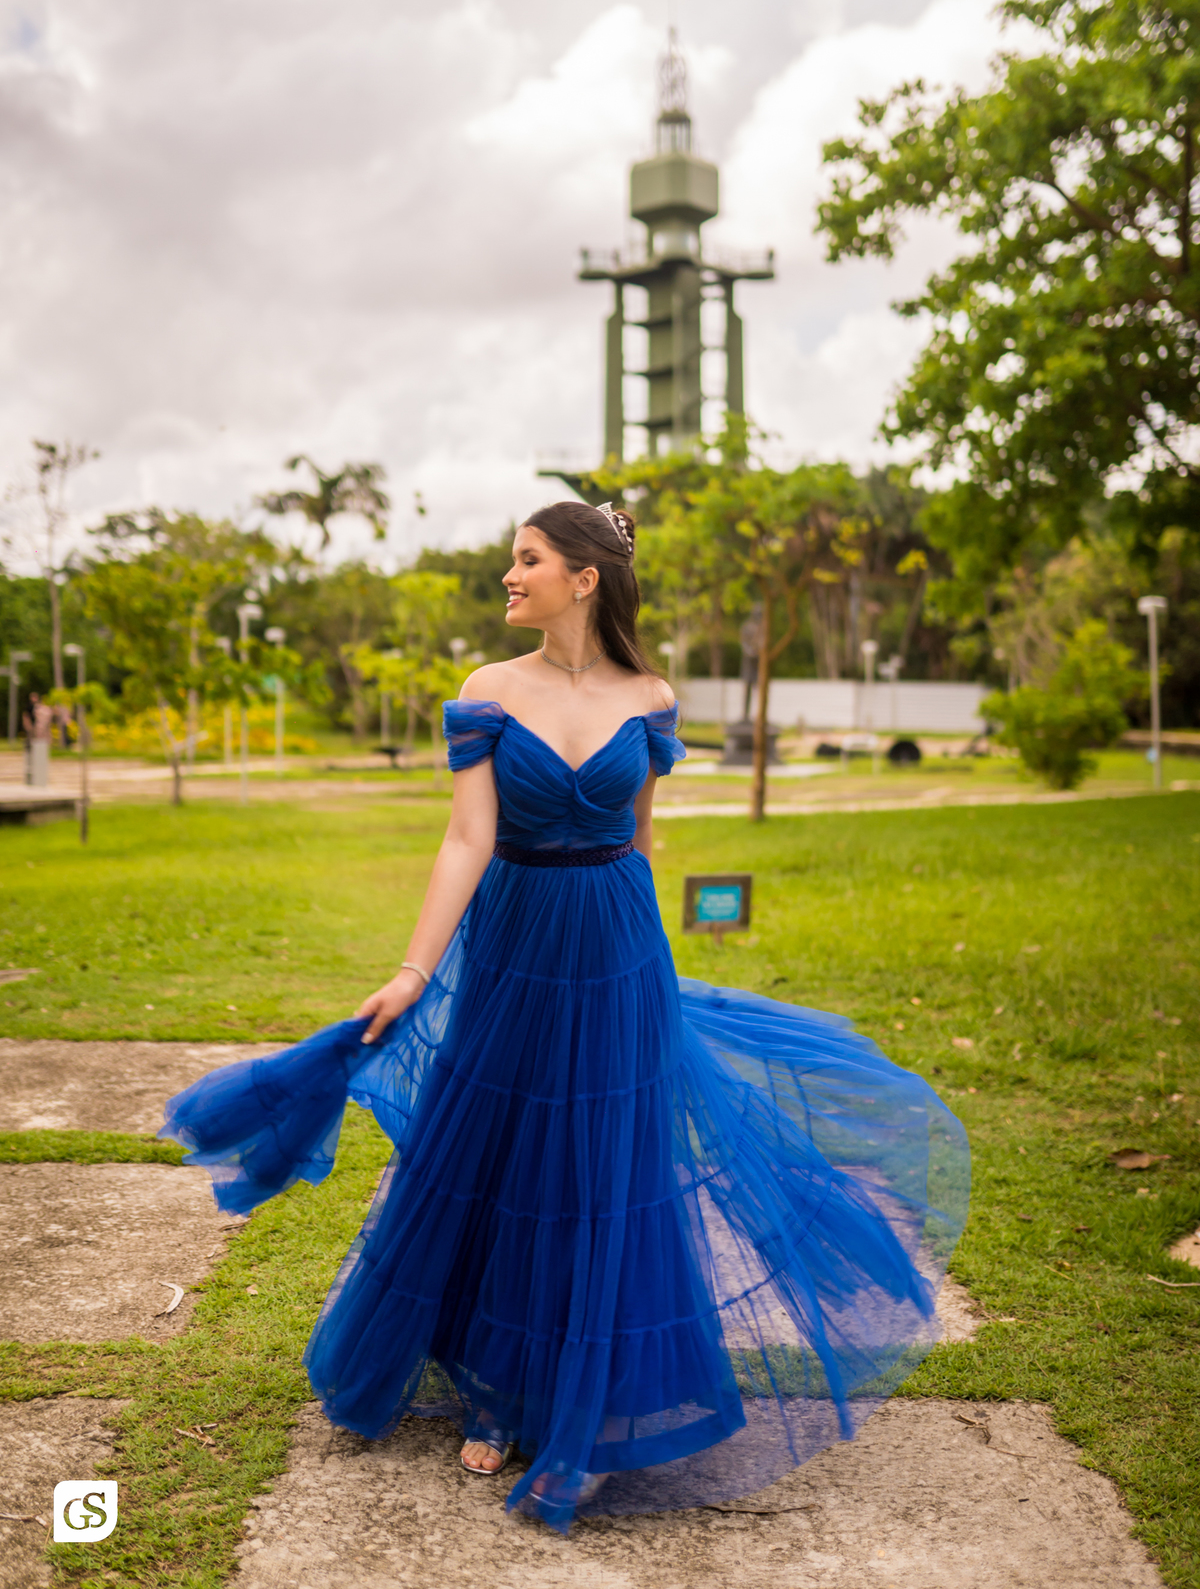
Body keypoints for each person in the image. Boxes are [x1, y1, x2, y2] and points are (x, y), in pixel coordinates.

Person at [161, 501, 969, 1533]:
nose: (510, 576)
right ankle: (496, 1387)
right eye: (514, 561)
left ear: (585, 577)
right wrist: (414, 971)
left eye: (527, 560)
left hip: (620, 947)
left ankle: (575, 1400)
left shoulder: (651, 697)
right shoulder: (489, 691)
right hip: (516, 943)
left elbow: (638, 844)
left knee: (606, 1171)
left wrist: (643, 971)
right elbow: (466, 839)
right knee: (503, 1157)